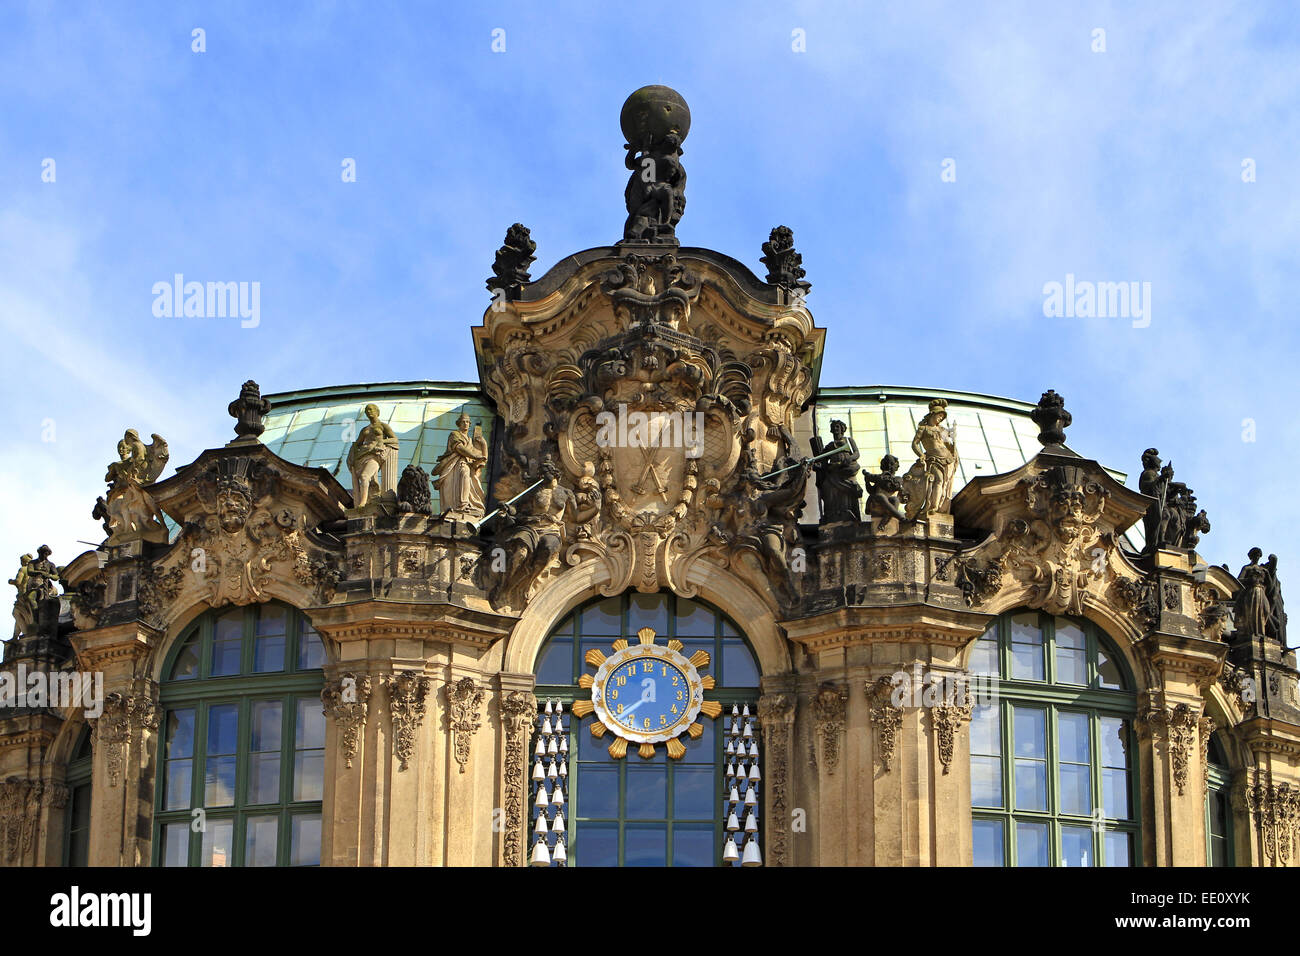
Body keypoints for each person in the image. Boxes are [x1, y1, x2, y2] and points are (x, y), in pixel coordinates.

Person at [433, 412, 488, 519]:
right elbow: (460, 448)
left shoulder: (470, 440)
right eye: (463, 422)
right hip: (455, 464)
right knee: (464, 473)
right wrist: (475, 456)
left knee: (466, 474)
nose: (466, 424)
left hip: (465, 463)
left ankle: (464, 504)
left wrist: (484, 445)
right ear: (459, 424)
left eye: (467, 422)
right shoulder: (454, 435)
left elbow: (480, 460)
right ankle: (463, 504)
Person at [347, 404, 400, 508]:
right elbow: (357, 443)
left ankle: (362, 503)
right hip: (362, 456)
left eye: (371, 409)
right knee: (365, 478)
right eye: (367, 410)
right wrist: (352, 455)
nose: (368, 412)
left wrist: (381, 441)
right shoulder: (365, 429)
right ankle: (367, 501)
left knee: (364, 476)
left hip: (375, 456)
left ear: (377, 411)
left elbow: (395, 439)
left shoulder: (383, 426)